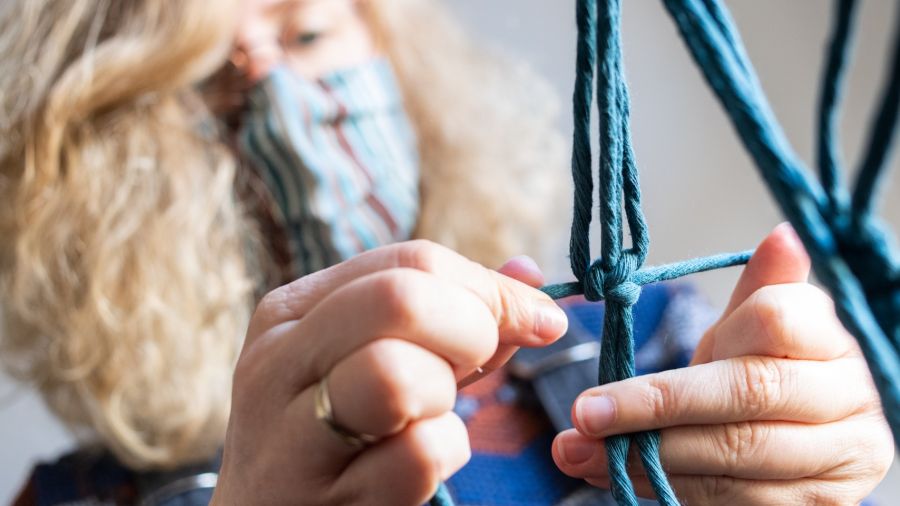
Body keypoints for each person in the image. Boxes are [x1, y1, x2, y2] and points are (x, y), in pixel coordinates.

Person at [0, 1, 892, 505]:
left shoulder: (653, 348)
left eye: (309, 37)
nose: (286, 112)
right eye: (212, 82)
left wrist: (803, 458)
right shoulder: (78, 498)